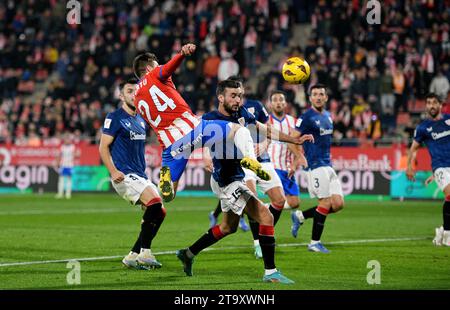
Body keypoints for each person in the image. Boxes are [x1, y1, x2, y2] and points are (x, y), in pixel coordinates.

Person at [176, 79, 313, 283]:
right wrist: (178, 173)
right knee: (266, 217)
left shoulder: (241, 113)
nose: (238, 99)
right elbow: (186, 146)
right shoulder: (209, 120)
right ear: (220, 97)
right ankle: (271, 272)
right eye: (233, 95)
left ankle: (187, 254)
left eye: (240, 95)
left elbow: (263, 129)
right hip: (226, 180)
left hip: (237, 176)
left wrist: (294, 139)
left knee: (227, 227)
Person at [132, 43, 269, 203]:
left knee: (168, 196)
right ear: (149, 67)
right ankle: (249, 160)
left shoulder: (136, 98)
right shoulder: (155, 73)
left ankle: (165, 177)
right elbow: (168, 68)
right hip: (193, 130)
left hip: (171, 146)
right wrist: (182, 54)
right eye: (156, 64)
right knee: (238, 129)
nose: (158, 65)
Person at [99, 78, 165, 269]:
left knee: (159, 213)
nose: (134, 94)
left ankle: (132, 255)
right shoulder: (115, 117)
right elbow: (103, 147)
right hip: (124, 175)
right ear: (121, 96)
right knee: (155, 203)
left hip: (139, 175)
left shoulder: (140, 119)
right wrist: (113, 171)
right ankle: (145, 252)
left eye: (136, 91)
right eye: (129, 91)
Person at [291, 84, 345, 253]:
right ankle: (314, 243)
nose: (318, 97)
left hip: (328, 164)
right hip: (315, 164)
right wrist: (300, 156)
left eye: (321, 94)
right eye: (315, 94)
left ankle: (300, 216)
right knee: (325, 202)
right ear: (310, 98)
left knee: (337, 204)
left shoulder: (328, 116)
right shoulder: (306, 117)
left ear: (326, 97)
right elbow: (292, 139)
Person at [407, 93, 450, 246]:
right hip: (440, 167)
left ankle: (442, 230)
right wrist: (409, 166)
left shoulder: (448, 120)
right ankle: (447, 234)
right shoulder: (423, 127)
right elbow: (413, 149)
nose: (431, 106)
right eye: (428, 103)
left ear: (440, 105)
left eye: (434, 103)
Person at [266, 90, 308, 237]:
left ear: (285, 103)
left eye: (281, 99)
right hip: (273, 166)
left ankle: (262, 209)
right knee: (278, 200)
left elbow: (298, 146)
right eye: (275, 100)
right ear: (270, 104)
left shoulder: (293, 122)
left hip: (288, 168)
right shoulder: (266, 122)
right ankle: (265, 234)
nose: (278, 102)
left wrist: (295, 164)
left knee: (295, 202)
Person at [54, 133, 79, 199]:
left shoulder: (72, 147)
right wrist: (57, 163)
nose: (67, 140)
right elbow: (59, 155)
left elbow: (76, 155)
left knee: (69, 179)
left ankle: (68, 194)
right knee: (61, 179)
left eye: (68, 139)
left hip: (70, 165)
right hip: (63, 165)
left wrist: (77, 155)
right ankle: (60, 193)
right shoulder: (62, 147)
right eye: (66, 139)